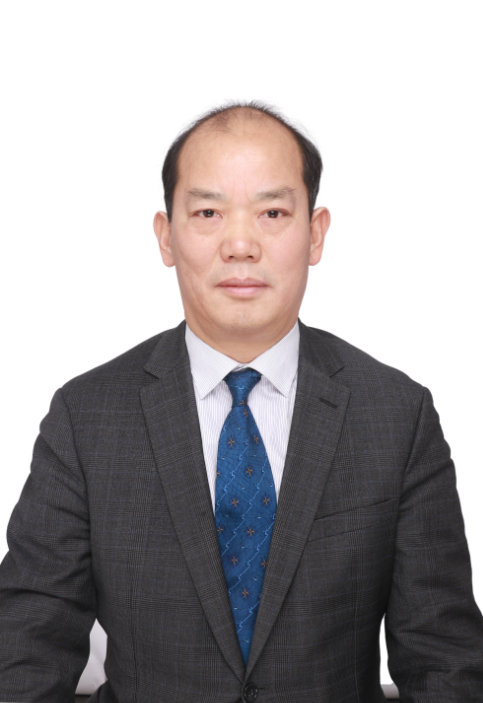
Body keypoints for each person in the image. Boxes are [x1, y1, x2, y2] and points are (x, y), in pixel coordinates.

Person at [0, 102, 482, 703]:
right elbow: (26, 649)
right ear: (166, 235)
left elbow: (445, 662)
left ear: (316, 233)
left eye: (272, 212)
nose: (240, 244)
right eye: (208, 212)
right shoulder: (86, 417)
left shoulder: (396, 415)